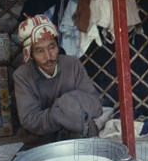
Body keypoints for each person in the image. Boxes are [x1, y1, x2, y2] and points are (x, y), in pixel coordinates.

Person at [13, 14, 103, 149]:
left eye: (51, 47)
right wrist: (66, 108)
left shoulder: (72, 64)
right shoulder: (22, 75)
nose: (48, 56)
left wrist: (66, 103)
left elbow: (95, 105)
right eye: (39, 51)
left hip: (79, 135)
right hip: (42, 142)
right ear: (30, 55)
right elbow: (31, 120)